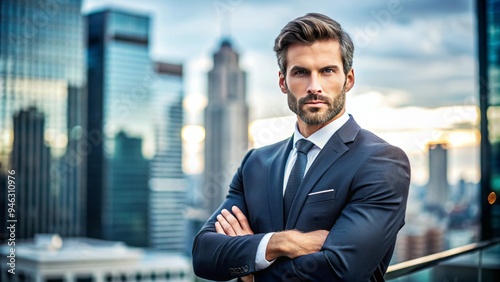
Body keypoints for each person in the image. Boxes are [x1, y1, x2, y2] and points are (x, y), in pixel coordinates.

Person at [192, 12, 411, 281]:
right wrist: (279, 243)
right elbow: (204, 254)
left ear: (349, 79)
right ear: (283, 82)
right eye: (301, 72)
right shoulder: (256, 163)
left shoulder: (381, 161)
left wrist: (252, 271)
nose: (314, 86)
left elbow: (341, 270)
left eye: (328, 71)